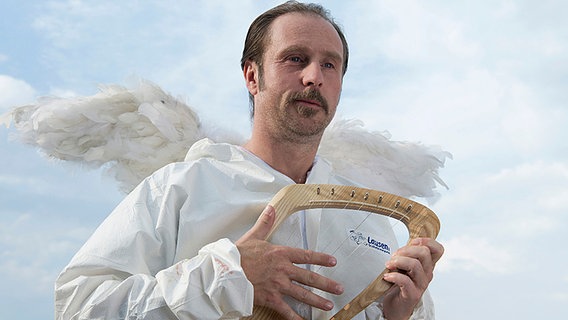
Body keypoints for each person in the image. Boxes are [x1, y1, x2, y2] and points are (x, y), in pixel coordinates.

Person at [55, 1, 444, 319]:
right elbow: (78, 306)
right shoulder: (182, 187)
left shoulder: (367, 215)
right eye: (295, 58)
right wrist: (227, 275)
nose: (314, 77)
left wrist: (400, 315)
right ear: (252, 77)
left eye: (330, 64)